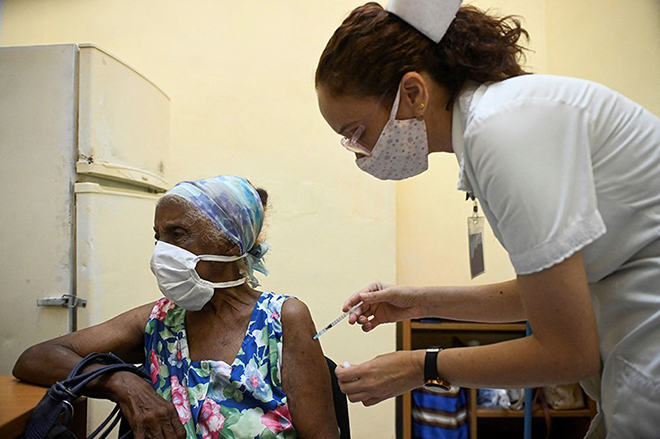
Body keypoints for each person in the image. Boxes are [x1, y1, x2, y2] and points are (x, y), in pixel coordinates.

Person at [314, 1, 660, 438]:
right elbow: (548, 296)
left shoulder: (501, 132)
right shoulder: (494, 125)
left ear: (415, 92)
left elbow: (567, 353)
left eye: (356, 133)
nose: (359, 153)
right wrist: (420, 303)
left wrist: (420, 366)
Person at [13, 175, 340, 439]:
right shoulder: (159, 319)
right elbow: (35, 358)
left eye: (177, 234)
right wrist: (123, 383)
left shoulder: (283, 318)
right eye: (158, 237)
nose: (162, 251)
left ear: (230, 240)